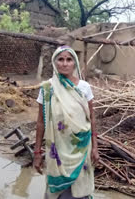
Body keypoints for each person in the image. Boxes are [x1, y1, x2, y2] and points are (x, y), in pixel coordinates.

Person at [33, 46, 99, 199]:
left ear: (74, 63)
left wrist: (95, 146)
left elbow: (92, 118)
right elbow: (41, 123)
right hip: (57, 149)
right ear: (55, 62)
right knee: (56, 192)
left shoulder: (84, 87)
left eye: (69, 59)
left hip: (81, 147)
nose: (64, 63)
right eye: (60, 59)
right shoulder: (47, 88)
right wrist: (37, 153)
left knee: (80, 189)